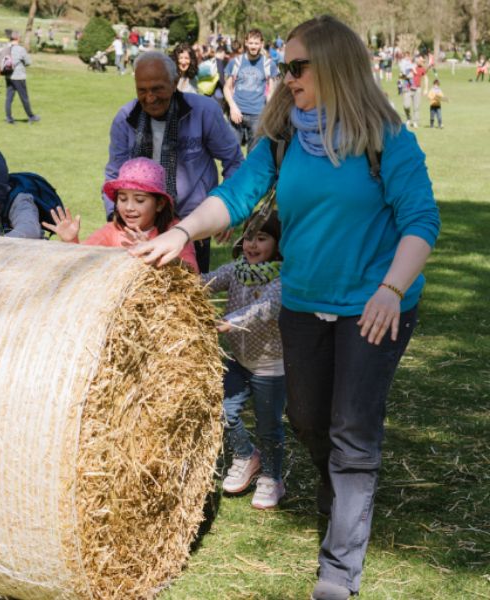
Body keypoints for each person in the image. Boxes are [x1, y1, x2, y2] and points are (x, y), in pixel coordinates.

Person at [130, 15, 440, 599]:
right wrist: (182, 232)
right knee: (306, 421)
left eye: (297, 67)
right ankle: (345, 496)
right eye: (283, 65)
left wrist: (391, 289)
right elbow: (237, 193)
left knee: (351, 432)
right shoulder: (284, 136)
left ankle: (338, 572)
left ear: (334, 67)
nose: (285, 76)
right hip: (303, 303)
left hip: (375, 307)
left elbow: (421, 221)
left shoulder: (386, 138)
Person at [103, 50, 243, 272]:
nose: (150, 97)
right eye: (142, 90)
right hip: (140, 229)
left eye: (157, 88)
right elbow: (114, 174)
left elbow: (233, 160)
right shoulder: (125, 119)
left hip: (193, 224)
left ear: (175, 81)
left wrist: (227, 209)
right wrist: (115, 218)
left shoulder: (204, 112)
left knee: (189, 292)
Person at [203, 211, 285, 509]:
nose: (251, 244)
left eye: (261, 238)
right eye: (248, 236)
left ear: (278, 244)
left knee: (269, 426)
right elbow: (207, 281)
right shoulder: (236, 270)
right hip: (238, 359)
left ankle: (272, 477)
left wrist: (231, 321)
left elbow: (266, 308)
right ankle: (245, 456)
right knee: (224, 410)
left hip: (270, 366)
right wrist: (177, 274)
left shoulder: (282, 279)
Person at [45, 157, 198, 272]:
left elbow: (191, 275)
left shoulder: (175, 233)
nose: (129, 207)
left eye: (139, 200)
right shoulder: (111, 231)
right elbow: (83, 263)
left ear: (159, 204)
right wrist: (71, 241)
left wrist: (153, 254)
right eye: (123, 199)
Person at [224, 29, 279, 151]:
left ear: (261, 44)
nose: (253, 46)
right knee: (232, 153)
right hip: (236, 114)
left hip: (257, 116)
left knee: (254, 155)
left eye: (256, 43)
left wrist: (270, 112)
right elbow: (227, 88)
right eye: (251, 43)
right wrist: (232, 107)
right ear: (246, 43)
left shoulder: (269, 64)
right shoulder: (235, 62)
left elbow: (271, 92)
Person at [2, 31, 39, 124]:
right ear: (18, 38)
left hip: (8, 75)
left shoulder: (6, 48)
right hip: (18, 76)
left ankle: (9, 117)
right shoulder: (20, 49)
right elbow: (28, 62)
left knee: (9, 98)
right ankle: (31, 116)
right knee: (24, 98)